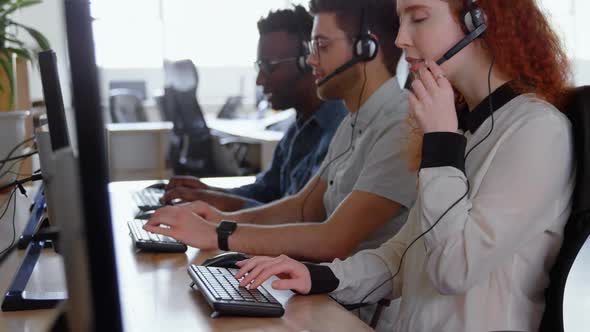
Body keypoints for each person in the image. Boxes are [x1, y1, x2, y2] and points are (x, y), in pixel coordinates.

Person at [233, 0, 575, 331]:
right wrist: (315, 275)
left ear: (479, 20)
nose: (400, 38)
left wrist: (441, 144)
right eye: (401, 19)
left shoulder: (537, 131)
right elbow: (403, 256)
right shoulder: (466, 127)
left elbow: (454, 269)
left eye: (419, 17)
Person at [145, 0, 417, 262]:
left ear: (367, 48)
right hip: (325, 290)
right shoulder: (354, 122)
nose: (310, 60)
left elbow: (333, 239)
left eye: (322, 45)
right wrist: (219, 218)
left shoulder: (401, 125)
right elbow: (301, 208)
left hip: (358, 305)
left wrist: (219, 234)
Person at [161, 5, 347, 212]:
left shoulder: (339, 129)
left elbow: (300, 216)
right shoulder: (299, 127)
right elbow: (265, 191)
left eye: (269, 66)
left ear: (307, 62)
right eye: (259, 67)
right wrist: (209, 193)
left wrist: (213, 201)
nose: (259, 80)